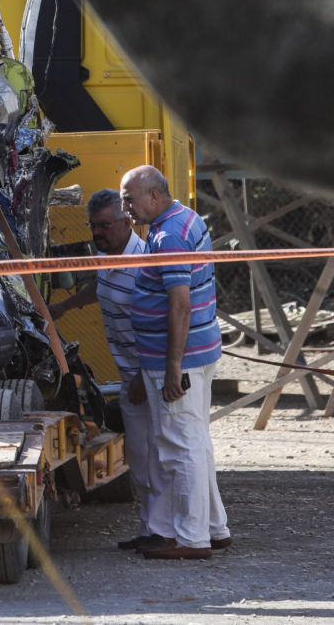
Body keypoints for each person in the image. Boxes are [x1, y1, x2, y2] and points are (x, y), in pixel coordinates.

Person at [120, 165, 231, 560]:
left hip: (180, 358)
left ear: (153, 196)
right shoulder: (188, 219)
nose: (125, 209)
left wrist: (172, 366)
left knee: (177, 446)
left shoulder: (167, 237)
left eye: (129, 199)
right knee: (195, 441)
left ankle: (189, 538)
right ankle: (213, 528)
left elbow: (180, 305)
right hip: (201, 351)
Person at [48, 188, 154, 551]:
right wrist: (68, 306)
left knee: (155, 456)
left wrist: (143, 377)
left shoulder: (143, 266)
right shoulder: (111, 256)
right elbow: (105, 285)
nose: (98, 233)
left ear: (127, 223)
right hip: (131, 374)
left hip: (147, 374)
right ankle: (153, 529)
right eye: (94, 226)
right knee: (139, 458)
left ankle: (167, 532)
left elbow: (156, 327)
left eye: (105, 226)